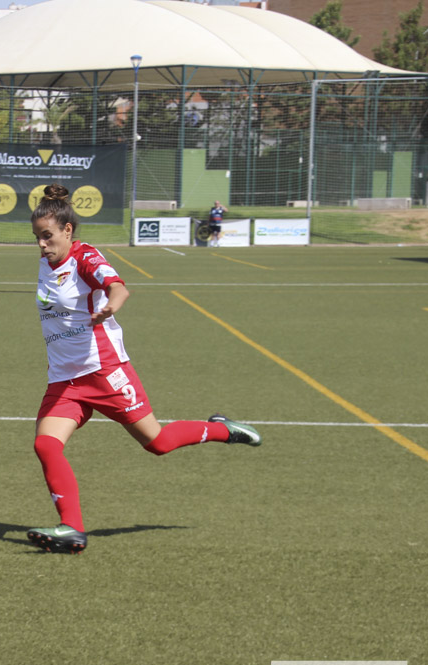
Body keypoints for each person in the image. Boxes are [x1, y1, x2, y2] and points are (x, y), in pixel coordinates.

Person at [25, 184, 260, 554]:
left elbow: (117, 286)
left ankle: (221, 429)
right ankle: (72, 529)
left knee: (158, 443)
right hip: (64, 379)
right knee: (45, 444)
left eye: (48, 236)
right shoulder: (47, 261)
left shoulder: (84, 257)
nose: (41, 244)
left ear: (68, 231)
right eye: (37, 237)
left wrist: (112, 305)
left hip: (103, 371)